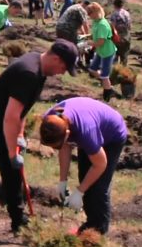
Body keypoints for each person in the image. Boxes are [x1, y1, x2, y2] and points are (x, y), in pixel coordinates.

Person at [0, 39, 80, 243]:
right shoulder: (29, 72)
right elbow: (11, 116)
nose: (62, 72)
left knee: (13, 173)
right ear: (55, 58)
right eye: (63, 67)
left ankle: (18, 221)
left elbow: (21, 109)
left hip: (1, 122)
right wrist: (12, 152)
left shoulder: (40, 68)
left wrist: (18, 137)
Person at [39, 97, 128, 235]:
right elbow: (64, 147)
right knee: (85, 176)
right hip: (90, 129)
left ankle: (97, 234)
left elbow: (100, 164)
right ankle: (90, 224)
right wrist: (63, 181)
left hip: (112, 135)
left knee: (98, 187)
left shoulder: (86, 131)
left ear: (68, 133)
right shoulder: (51, 120)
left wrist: (80, 191)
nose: (56, 148)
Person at [85, 3, 117, 101]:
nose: (88, 15)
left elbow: (100, 42)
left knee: (104, 75)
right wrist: (86, 36)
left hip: (107, 52)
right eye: (88, 13)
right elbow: (96, 34)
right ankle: (108, 85)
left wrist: (88, 43)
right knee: (92, 69)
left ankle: (108, 94)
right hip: (100, 52)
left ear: (96, 12)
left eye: (90, 13)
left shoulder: (102, 24)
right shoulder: (96, 21)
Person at [109, 0, 132, 66]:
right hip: (126, 37)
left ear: (115, 5)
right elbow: (130, 26)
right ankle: (123, 73)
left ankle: (114, 72)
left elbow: (112, 27)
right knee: (124, 57)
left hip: (117, 37)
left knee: (114, 56)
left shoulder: (114, 14)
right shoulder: (127, 13)